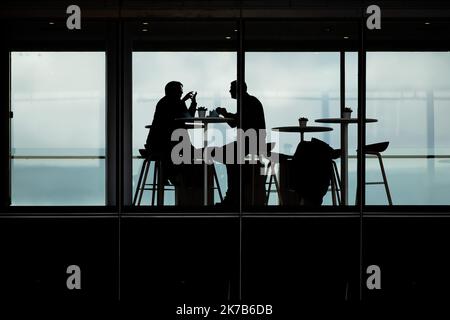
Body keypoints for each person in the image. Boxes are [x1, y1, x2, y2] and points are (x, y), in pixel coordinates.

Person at [145, 81, 203, 205]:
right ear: (173, 92)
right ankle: (182, 181)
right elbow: (183, 118)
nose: (181, 94)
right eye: (180, 92)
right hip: (164, 145)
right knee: (193, 155)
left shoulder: (170, 102)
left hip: (165, 144)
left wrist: (191, 103)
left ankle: (178, 178)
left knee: (192, 153)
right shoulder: (170, 103)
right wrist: (186, 101)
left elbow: (187, 117)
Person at [215, 80, 267, 207]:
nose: (229, 91)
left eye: (231, 88)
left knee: (223, 154)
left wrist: (224, 113)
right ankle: (234, 193)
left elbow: (235, 122)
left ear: (238, 90)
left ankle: (233, 195)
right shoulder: (249, 101)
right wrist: (225, 114)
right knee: (227, 156)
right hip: (253, 141)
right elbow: (238, 121)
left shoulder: (246, 102)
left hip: (250, 142)